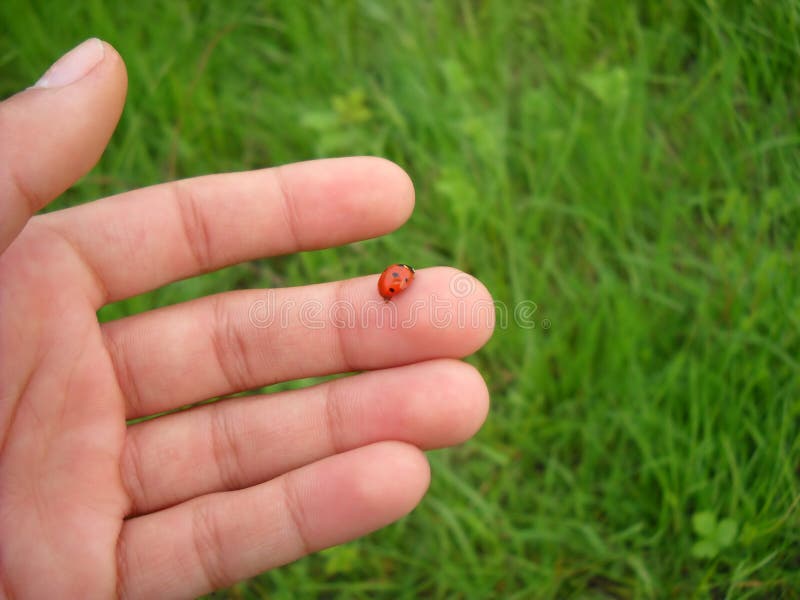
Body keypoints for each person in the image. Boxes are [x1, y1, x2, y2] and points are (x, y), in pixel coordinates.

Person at [0, 39, 494, 598]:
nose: (402, 279)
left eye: (400, 278)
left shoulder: (395, 282)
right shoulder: (398, 281)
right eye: (402, 277)